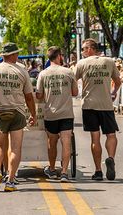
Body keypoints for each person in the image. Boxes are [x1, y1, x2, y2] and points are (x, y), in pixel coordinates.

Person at [0, 42, 36, 192]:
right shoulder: (22, 71)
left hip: (0, 111)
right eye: (16, 53)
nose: (18, 55)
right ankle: (10, 181)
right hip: (17, 112)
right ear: (12, 55)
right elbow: (29, 97)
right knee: (15, 148)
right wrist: (33, 114)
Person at [74, 38, 122, 181]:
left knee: (95, 138)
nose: (82, 52)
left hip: (89, 105)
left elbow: (73, 81)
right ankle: (111, 158)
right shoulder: (108, 61)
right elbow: (118, 81)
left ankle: (98, 171)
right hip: (106, 104)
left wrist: (76, 93)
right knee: (111, 135)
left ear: (90, 49)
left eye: (83, 49)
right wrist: (113, 92)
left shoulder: (82, 63)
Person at [36, 46, 78, 182]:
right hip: (66, 113)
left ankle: (52, 169)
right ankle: (64, 172)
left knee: (52, 142)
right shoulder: (68, 72)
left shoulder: (43, 74)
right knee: (66, 142)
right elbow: (75, 93)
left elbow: (39, 95)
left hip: (51, 113)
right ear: (59, 56)